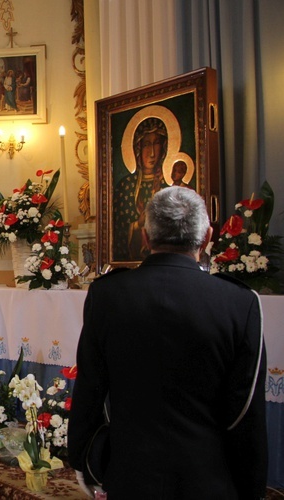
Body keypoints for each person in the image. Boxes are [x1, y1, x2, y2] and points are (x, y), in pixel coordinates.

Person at [68, 187, 268, 499]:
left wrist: (83, 458)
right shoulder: (239, 303)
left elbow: (91, 388)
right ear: (206, 238)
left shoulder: (107, 295)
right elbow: (245, 410)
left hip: (129, 473)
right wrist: (252, 485)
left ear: (145, 238)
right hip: (208, 477)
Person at [113, 117, 169, 261]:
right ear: (137, 148)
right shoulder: (125, 186)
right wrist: (137, 224)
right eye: (146, 145)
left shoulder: (169, 187)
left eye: (156, 144)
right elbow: (116, 231)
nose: (152, 153)